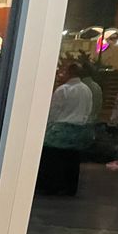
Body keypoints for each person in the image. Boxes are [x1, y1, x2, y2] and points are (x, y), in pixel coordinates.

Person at [37, 61, 92, 196]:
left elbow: (54, 111)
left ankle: (53, 186)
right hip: (79, 129)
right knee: (73, 160)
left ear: (70, 73)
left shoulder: (63, 90)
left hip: (61, 129)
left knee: (54, 160)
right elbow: (88, 109)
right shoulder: (86, 90)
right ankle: (70, 187)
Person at [80, 60, 103, 124]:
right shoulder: (97, 87)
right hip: (92, 120)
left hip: (79, 121)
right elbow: (99, 105)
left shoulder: (79, 87)